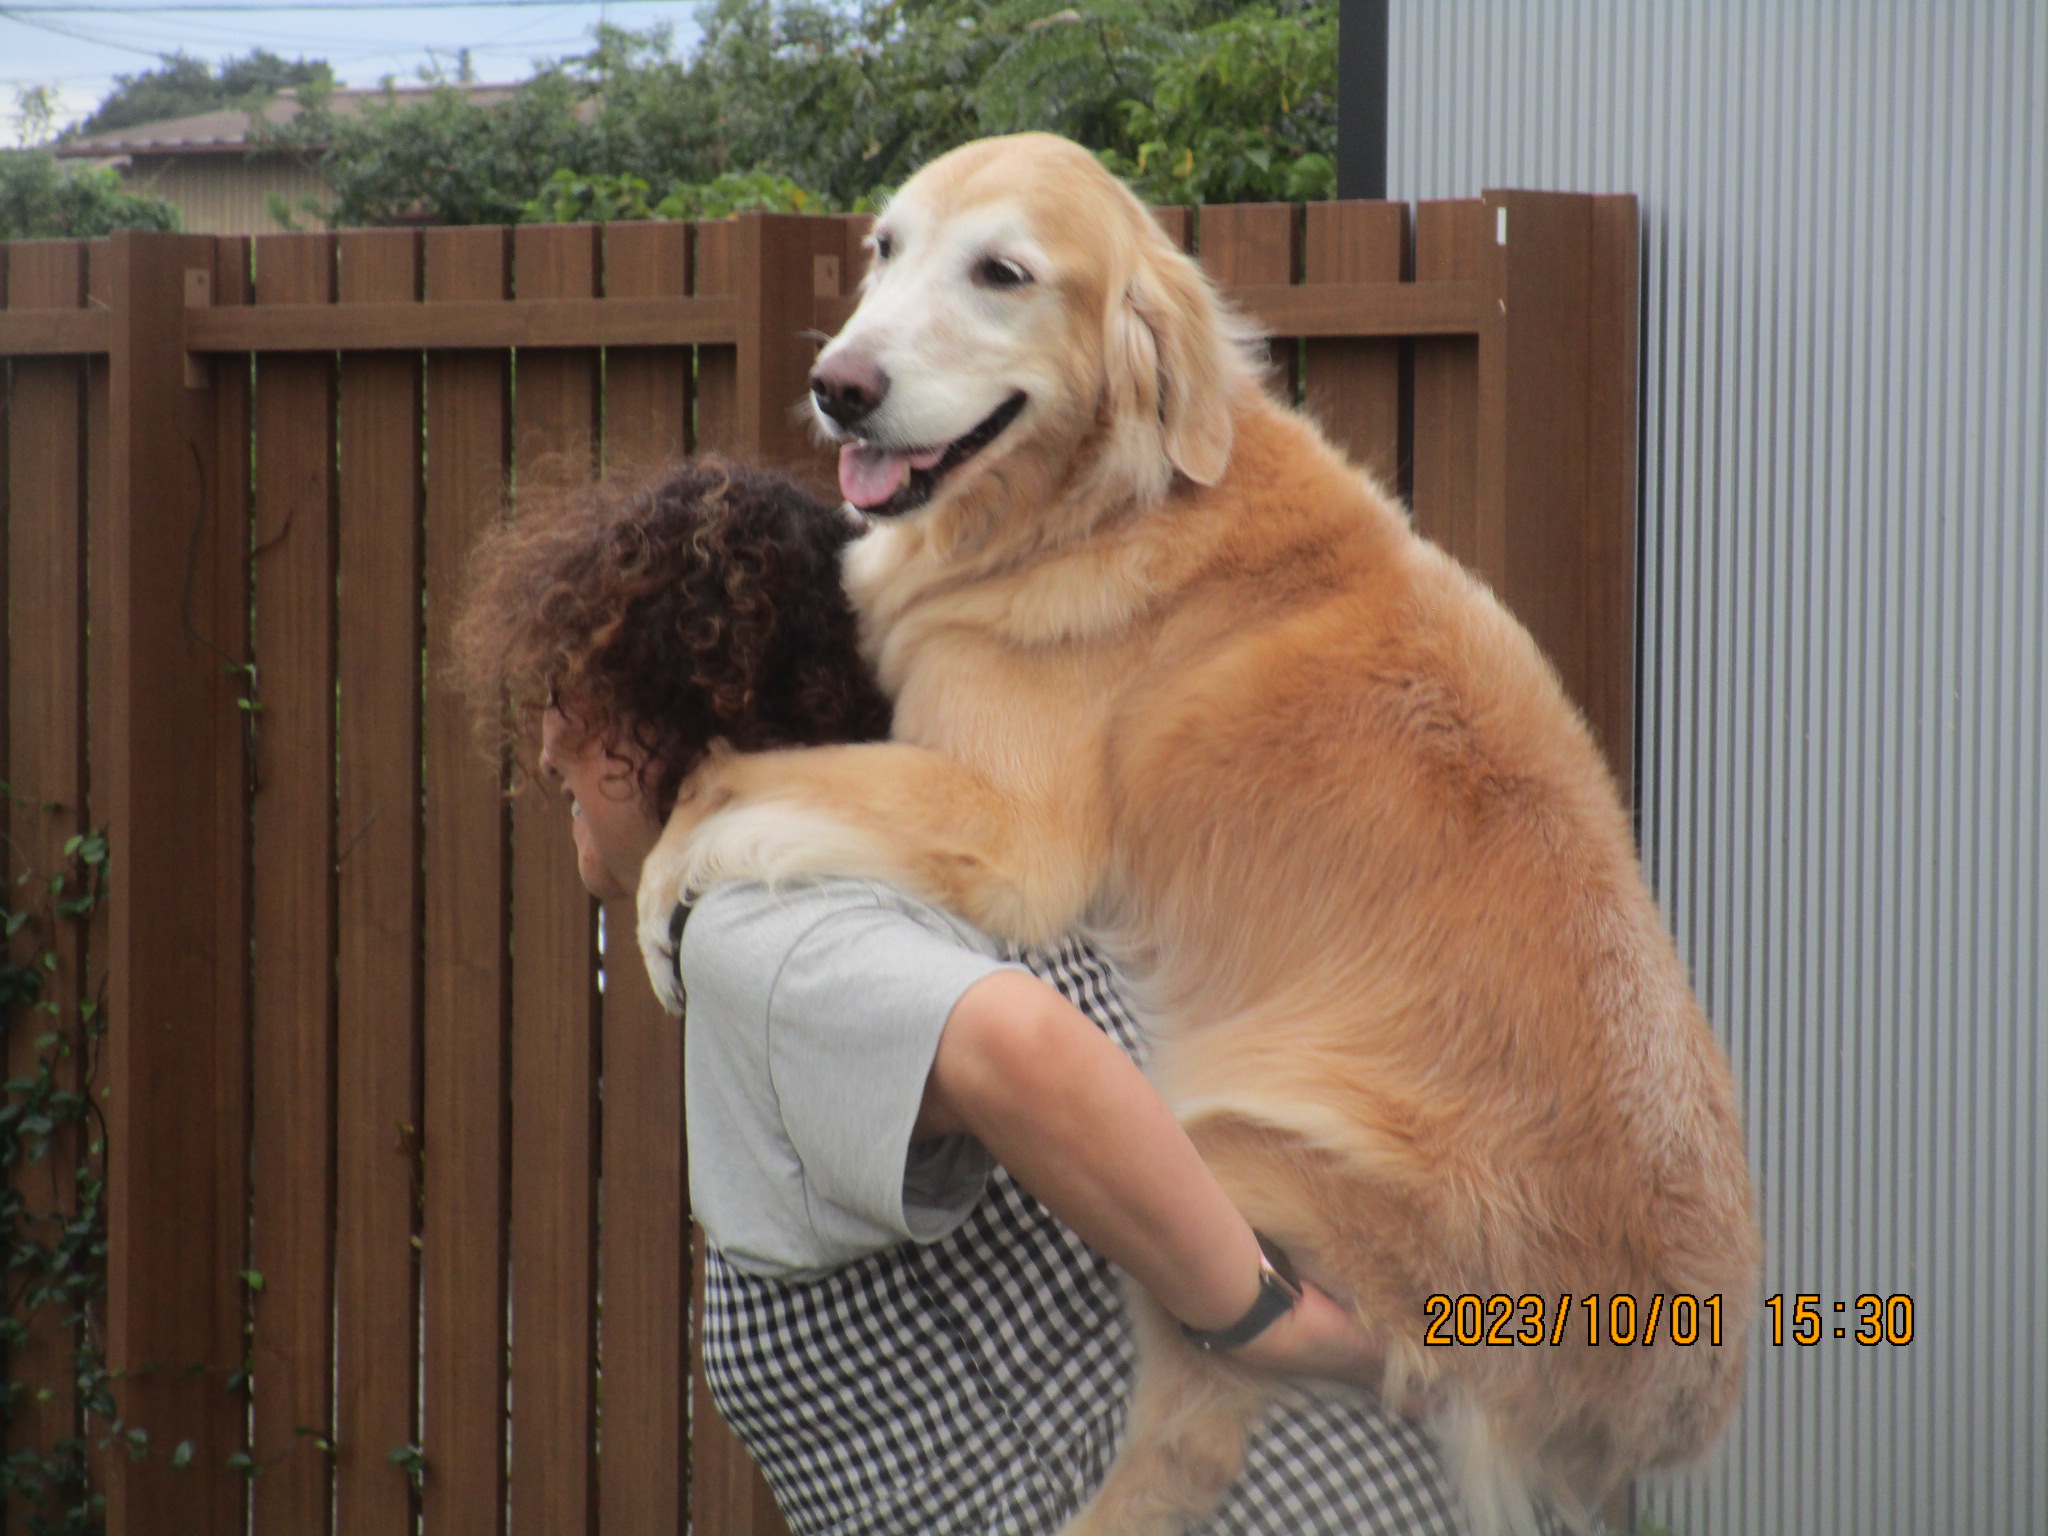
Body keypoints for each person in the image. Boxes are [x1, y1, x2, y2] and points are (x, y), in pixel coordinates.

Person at [453, 459, 1475, 1535]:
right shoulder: (964, 834)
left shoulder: (757, 919)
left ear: (697, 717)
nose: (549, 739)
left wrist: (1264, 1321)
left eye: (587, 695)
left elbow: (1019, 1045)